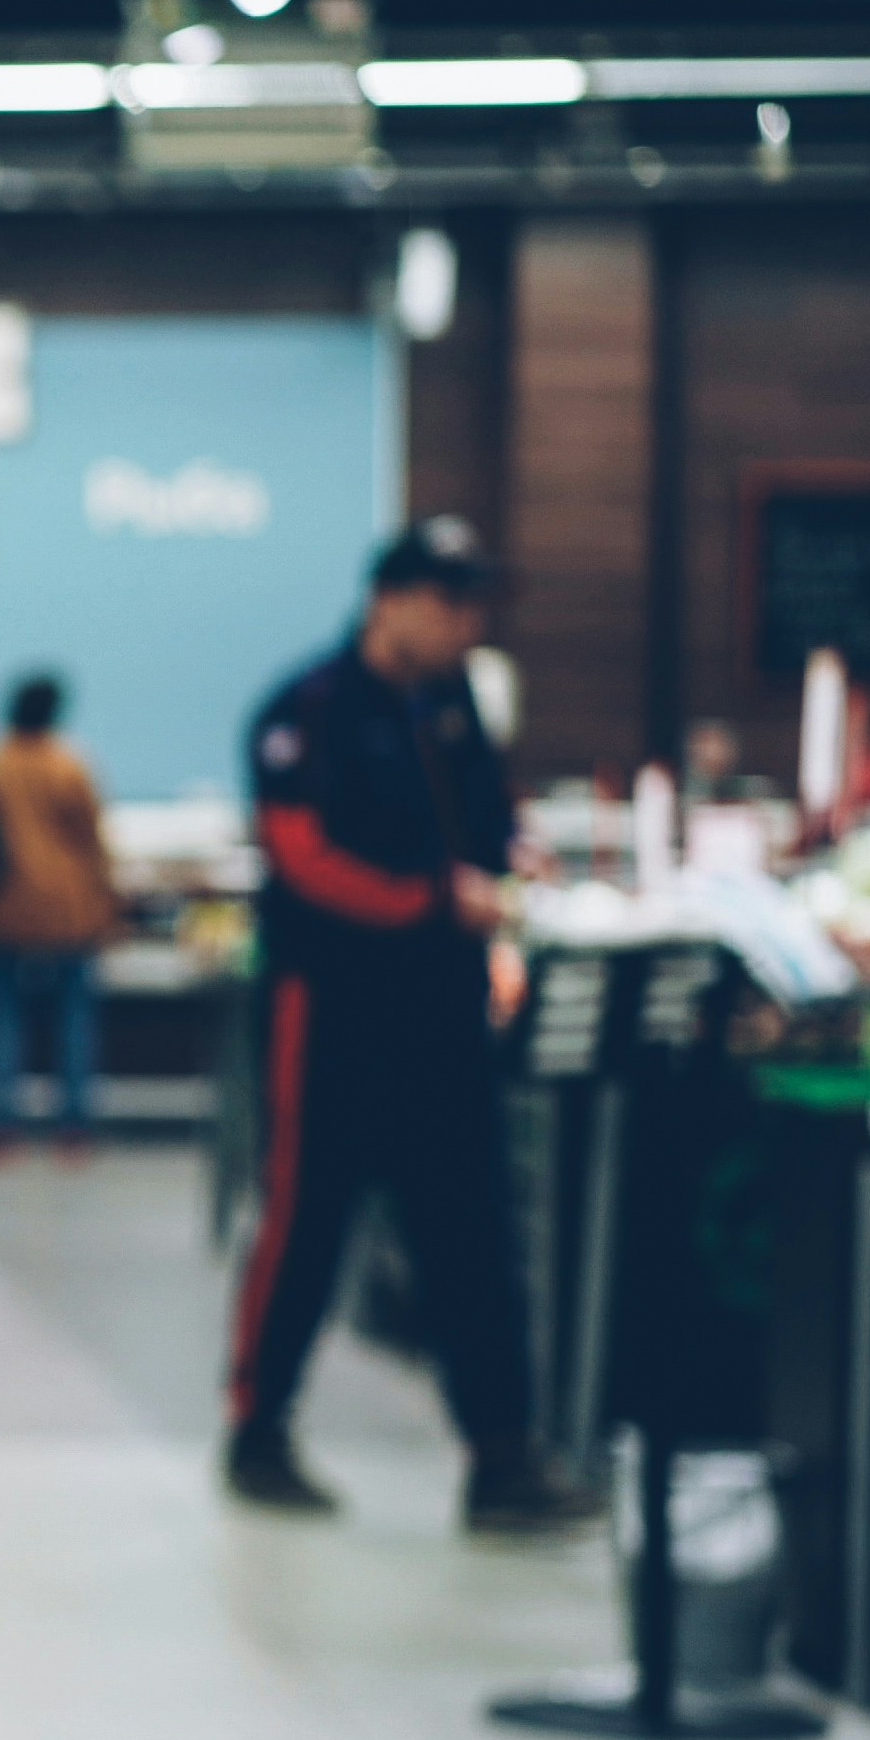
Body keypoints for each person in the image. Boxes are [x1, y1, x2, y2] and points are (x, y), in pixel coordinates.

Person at [223, 519, 598, 1532]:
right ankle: (257, 1428)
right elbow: (299, 854)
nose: (463, 623)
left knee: (468, 1228)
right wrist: (434, 898)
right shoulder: (304, 710)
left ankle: (500, 1456)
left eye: (473, 604)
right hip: (332, 1004)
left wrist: (512, 856)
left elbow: (486, 814)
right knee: (308, 1218)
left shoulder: (454, 703)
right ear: (386, 597)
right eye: (448, 601)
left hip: (441, 1005)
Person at [0, 672, 117, 1157]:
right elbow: (95, 845)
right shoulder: (71, 767)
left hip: (4, 908)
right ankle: (74, 1125)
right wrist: (112, 907)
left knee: (4, 1017)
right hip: (72, 910)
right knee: (74, 1018)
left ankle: (0, 1123)